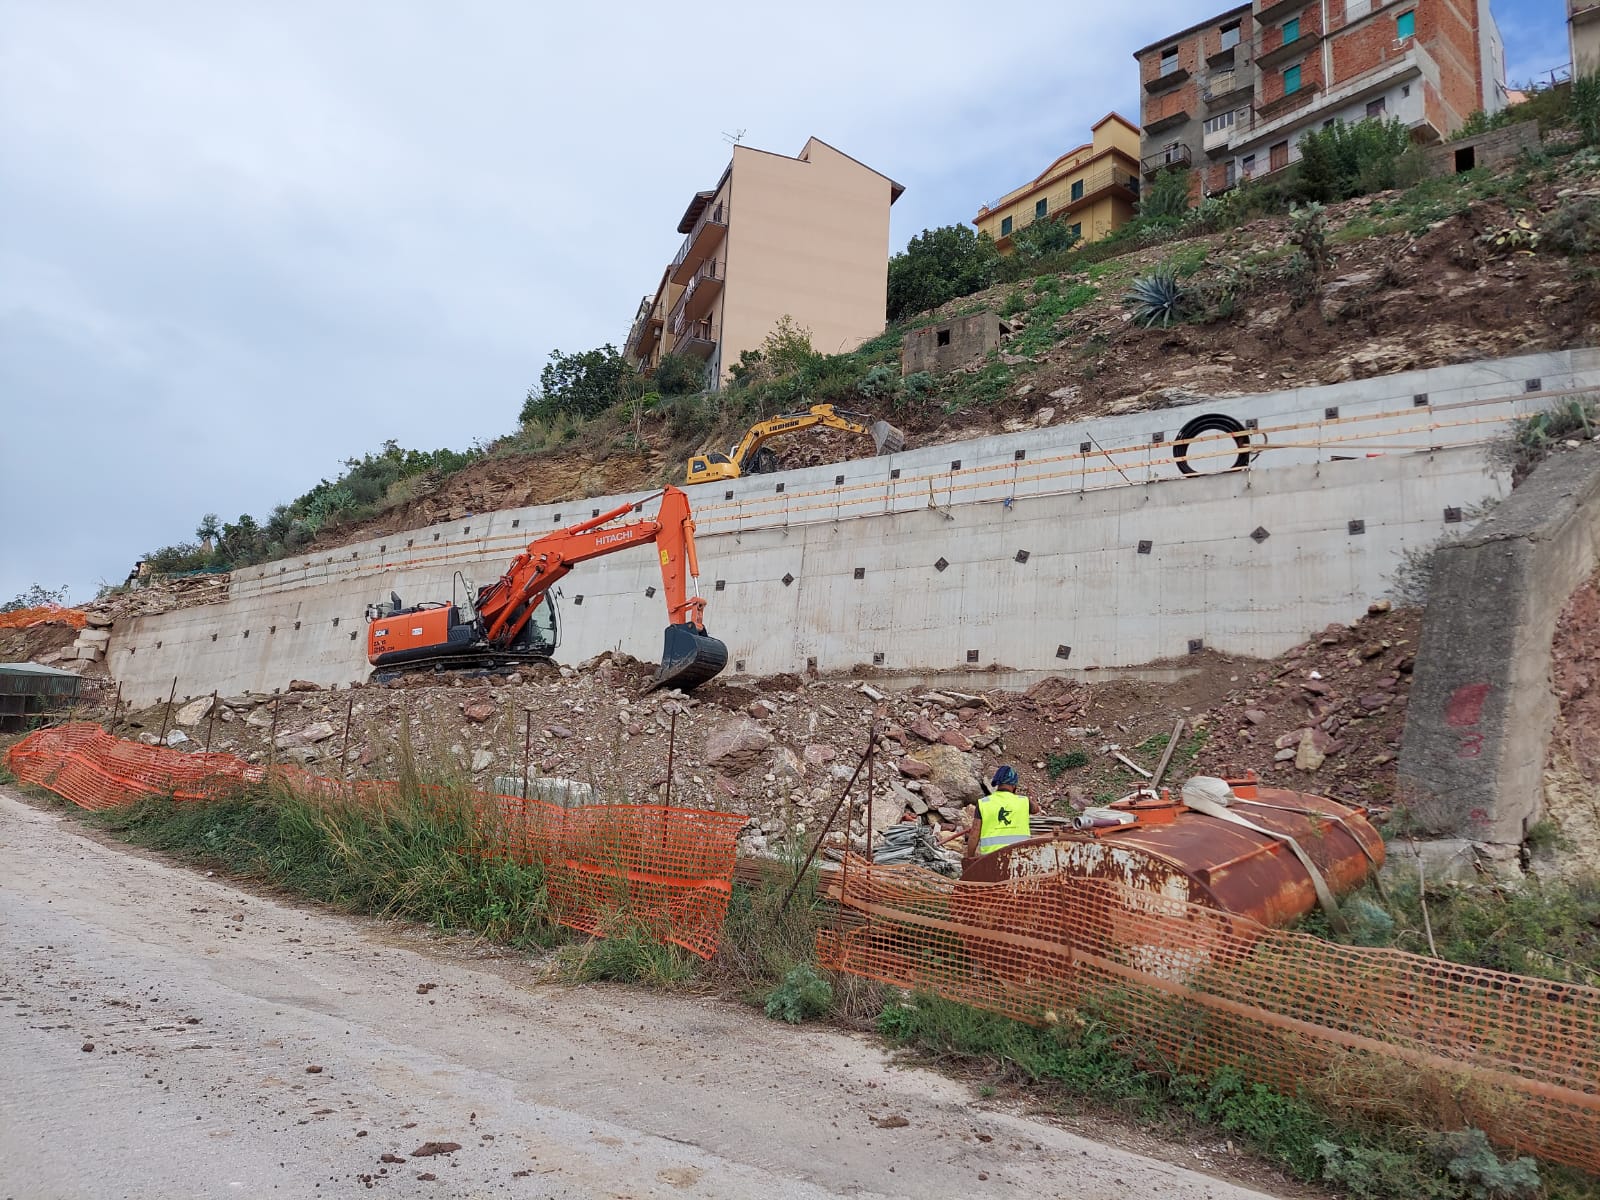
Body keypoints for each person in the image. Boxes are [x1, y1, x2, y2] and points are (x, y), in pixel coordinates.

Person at [939, 766, 1037, 858]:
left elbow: (974, 834)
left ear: (998, 783)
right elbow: (1036, 809)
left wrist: (970, 857)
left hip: (991, 858)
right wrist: (1030, 795)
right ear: (1014, 785)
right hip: (1021, 856)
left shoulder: (984, 803)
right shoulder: (1024, 801)